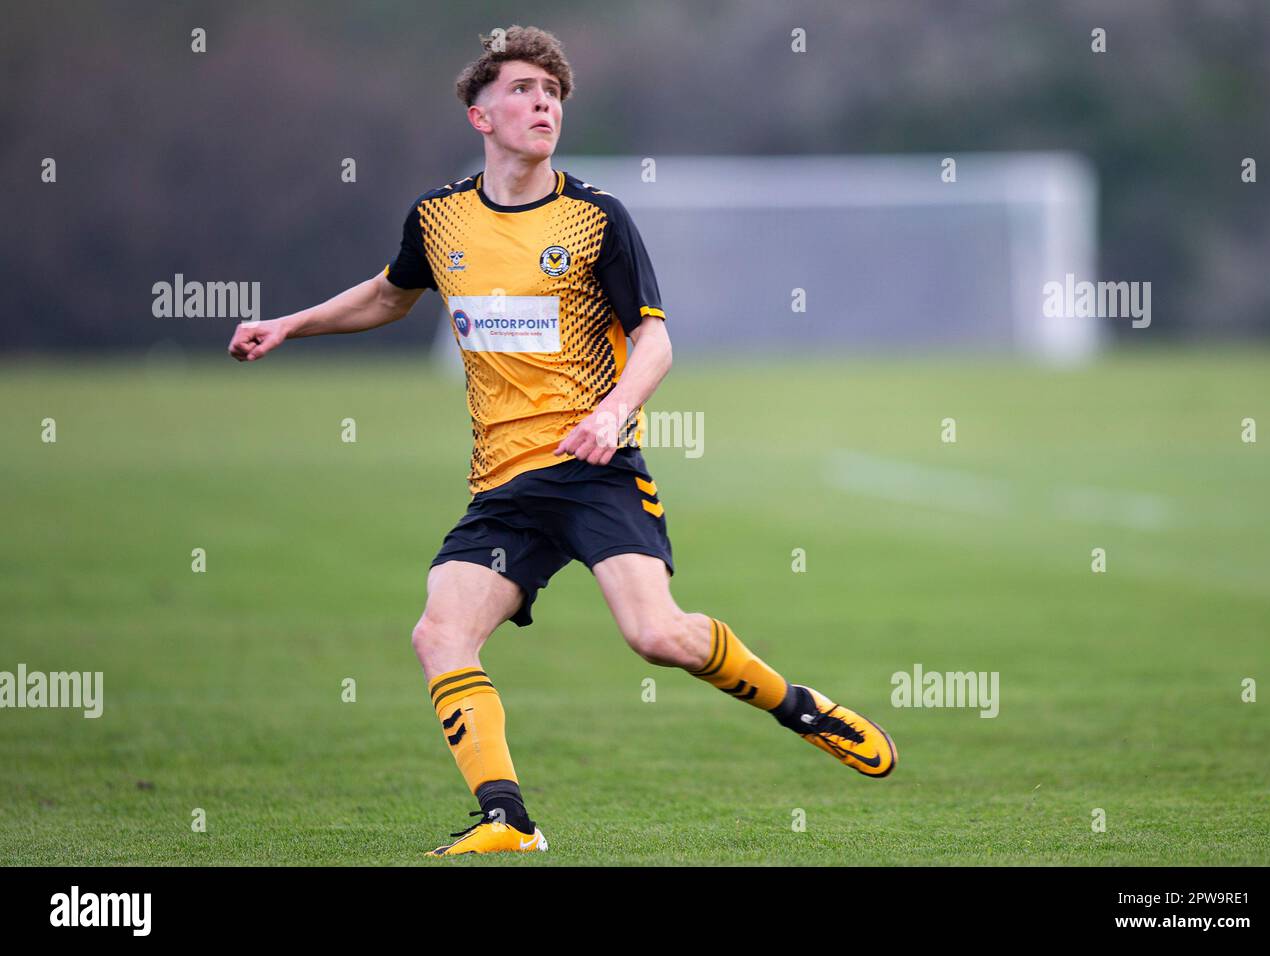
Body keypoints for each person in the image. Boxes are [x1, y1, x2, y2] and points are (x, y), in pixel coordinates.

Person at [227, 24, 896, 857]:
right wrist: (289, 325)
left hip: (595, 468)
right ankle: (508, 820)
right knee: (439, 635)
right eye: (522, 90)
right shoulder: (438, 218)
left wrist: (612, 413)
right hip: (504, 488)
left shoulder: (595, 220)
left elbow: (655, 340)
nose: (543, 104)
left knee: (656, 637)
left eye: (553, 94)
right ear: (480, 115)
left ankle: (797, 705)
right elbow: (390, 297)